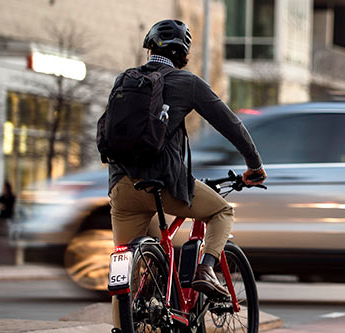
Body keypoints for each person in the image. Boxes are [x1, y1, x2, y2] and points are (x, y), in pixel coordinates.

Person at [107, 19, 266, 327]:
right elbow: (230, 124)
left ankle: (124, 322)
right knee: (221, 211)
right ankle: (205, 269)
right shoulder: (186, 82)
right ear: (183, 54)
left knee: (125, 271)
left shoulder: (123, 80)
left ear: (150, 47)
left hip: (122, 188)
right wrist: (254, 166)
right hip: (164, 184)